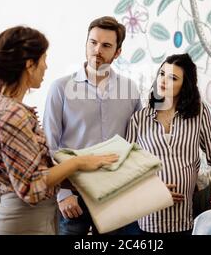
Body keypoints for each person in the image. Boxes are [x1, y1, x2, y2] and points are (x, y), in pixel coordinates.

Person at [0, 26, 118, 235]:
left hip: (36, 219)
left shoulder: (8, 107)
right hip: (24, 223)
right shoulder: (11, 115)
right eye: (43, 59)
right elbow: (31, 187)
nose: (46, 66)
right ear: (29, 65)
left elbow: (37, 172)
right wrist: (78, 162)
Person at [125, 53, 211, 235]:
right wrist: (150, 188)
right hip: (147, 218)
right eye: (162, 74)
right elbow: (127, 168)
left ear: (185, 85)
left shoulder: (199, 113)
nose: (164, 81)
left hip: (183, 219)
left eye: (173, 78)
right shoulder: (139, 118)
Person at [43, 16, 142, 235]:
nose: (97, 50)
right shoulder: (60, 88)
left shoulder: (131, 90)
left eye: (106, 45)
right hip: (73, 196)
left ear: (117, 52)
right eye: (93, 42)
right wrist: (63, 195)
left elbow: (137, 144)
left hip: (115, 193)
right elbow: (49, 146)